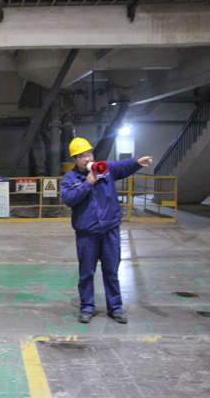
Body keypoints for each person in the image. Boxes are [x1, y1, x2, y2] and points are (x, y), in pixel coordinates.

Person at [61, 137, 153, 324]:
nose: (87, 159)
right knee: (87, 273)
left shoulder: (105, 169)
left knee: (111, 271)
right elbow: (69, 199)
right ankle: (87, 307)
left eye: (89, 154)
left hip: (110, 230)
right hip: (87, 233)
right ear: (74, 159)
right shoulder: (70, 178)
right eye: (82, 156)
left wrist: (137, 161)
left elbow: (123, 166)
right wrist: (87, 184)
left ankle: (115, 309)